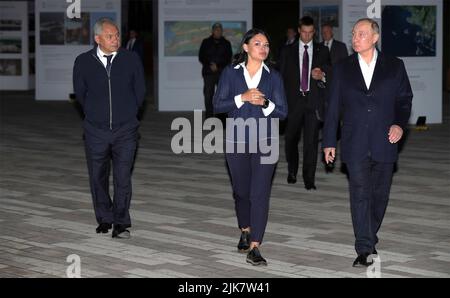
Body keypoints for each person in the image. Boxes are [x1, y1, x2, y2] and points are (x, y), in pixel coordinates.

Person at [322, 18, 413, 267]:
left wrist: (399, 123)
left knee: (379, 195)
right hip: (355, 141)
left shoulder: (394, 66)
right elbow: (332, 108)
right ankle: (364, 248)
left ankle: (369, 234)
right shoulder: (341, 68)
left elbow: (404, 100)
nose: (355, 38)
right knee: (360, 193)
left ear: (375, 38)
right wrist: (329, 141)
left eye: (361, 34)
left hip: (385, 140)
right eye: (353, 34)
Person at [213, 28, 288, 266]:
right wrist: (242, 98)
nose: (264, 48)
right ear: (245, 47)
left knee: (260, 193)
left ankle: (255, 246)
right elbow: (217, 105)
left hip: (266, 142)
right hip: (236, 141)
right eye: (258, 44)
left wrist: (265, 102)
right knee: (241, 192)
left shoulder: (273, 76)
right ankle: (245, 229)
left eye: (266, 45)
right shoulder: (230, 74)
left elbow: (283, 112)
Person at [73, 18, 146, 239]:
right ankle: (104, 217)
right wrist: (96, 115)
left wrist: (128, 113)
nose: (116, 40)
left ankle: (121, 223)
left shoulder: (131, 59)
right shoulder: (83, 61)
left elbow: (140, 91)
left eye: (117, 35)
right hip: (96, 130)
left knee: (123, 177)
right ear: (97, 38)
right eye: (110, 36)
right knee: (98, 176)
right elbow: (80, 94)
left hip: (126, 129)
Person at [279, 16, 330, 190]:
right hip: (293, 102)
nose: (307, 36)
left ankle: (309, 178)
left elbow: (330, 74)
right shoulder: (287, 51)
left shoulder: (322, 51)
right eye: (304, 32)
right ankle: (292, 170)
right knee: (291, 139)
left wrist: (321, 75)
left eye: (310, 33)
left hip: (313, 102)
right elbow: (281, 77)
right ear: (299, 31)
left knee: (311, 142)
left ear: (314, 32)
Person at [199, 22, 233, 119]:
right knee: (208, 95)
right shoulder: (205, 42)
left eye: (220, 30)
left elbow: (228, 58)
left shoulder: (226, 43)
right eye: (216, 30)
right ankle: (209, 117)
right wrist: (210, 64)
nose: (218, 31)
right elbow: (201, 56)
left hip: (222, 73)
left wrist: (218, 65)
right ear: (212, 31)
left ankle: (221, 117)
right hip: (208, 72)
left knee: (222, 96)